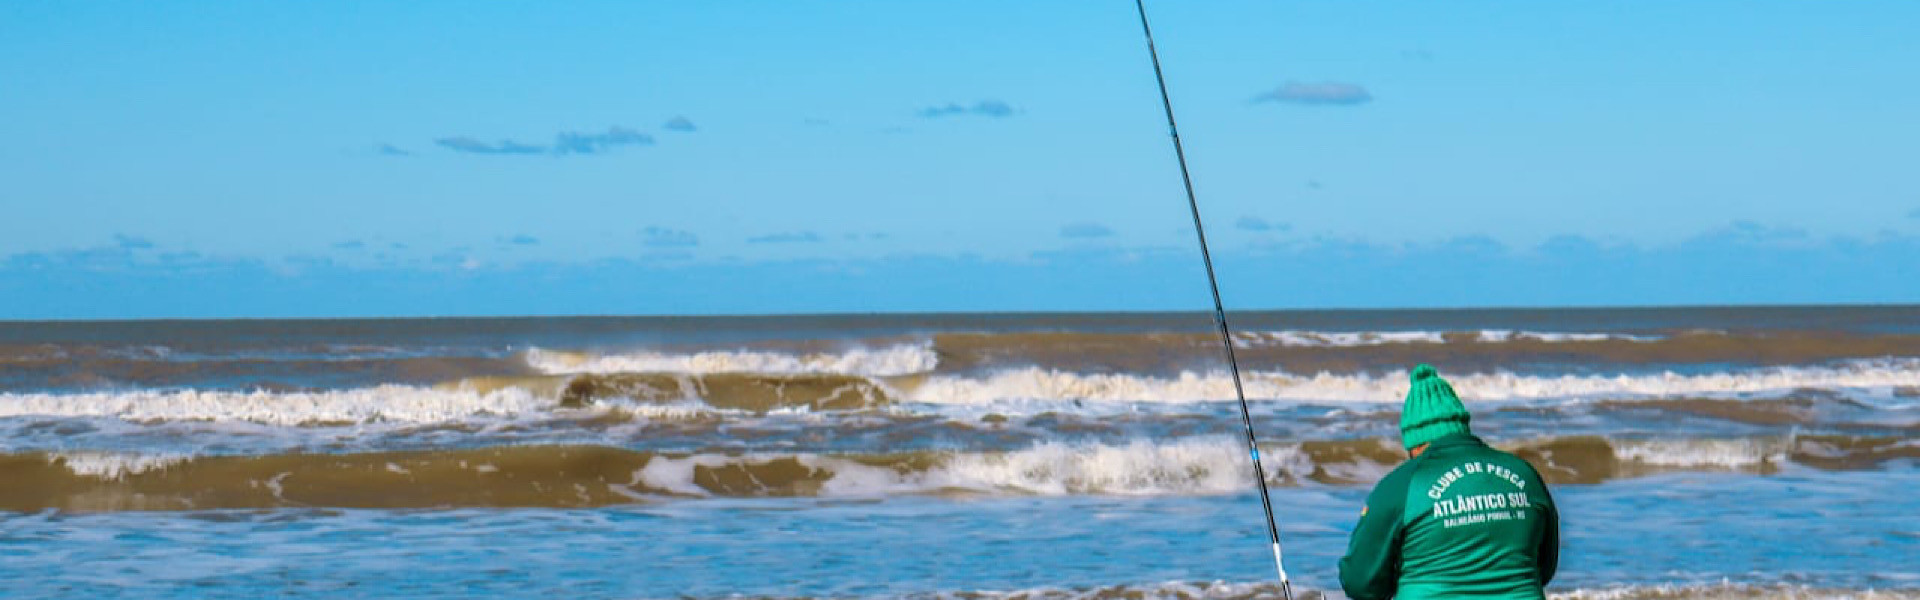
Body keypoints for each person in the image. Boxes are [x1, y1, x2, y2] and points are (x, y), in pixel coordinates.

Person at [1338, 364, 1560, 600]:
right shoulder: (1525, 474)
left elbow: (1360, 583)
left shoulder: (1401, 484)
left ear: (1414, 440)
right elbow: (1545, 567)